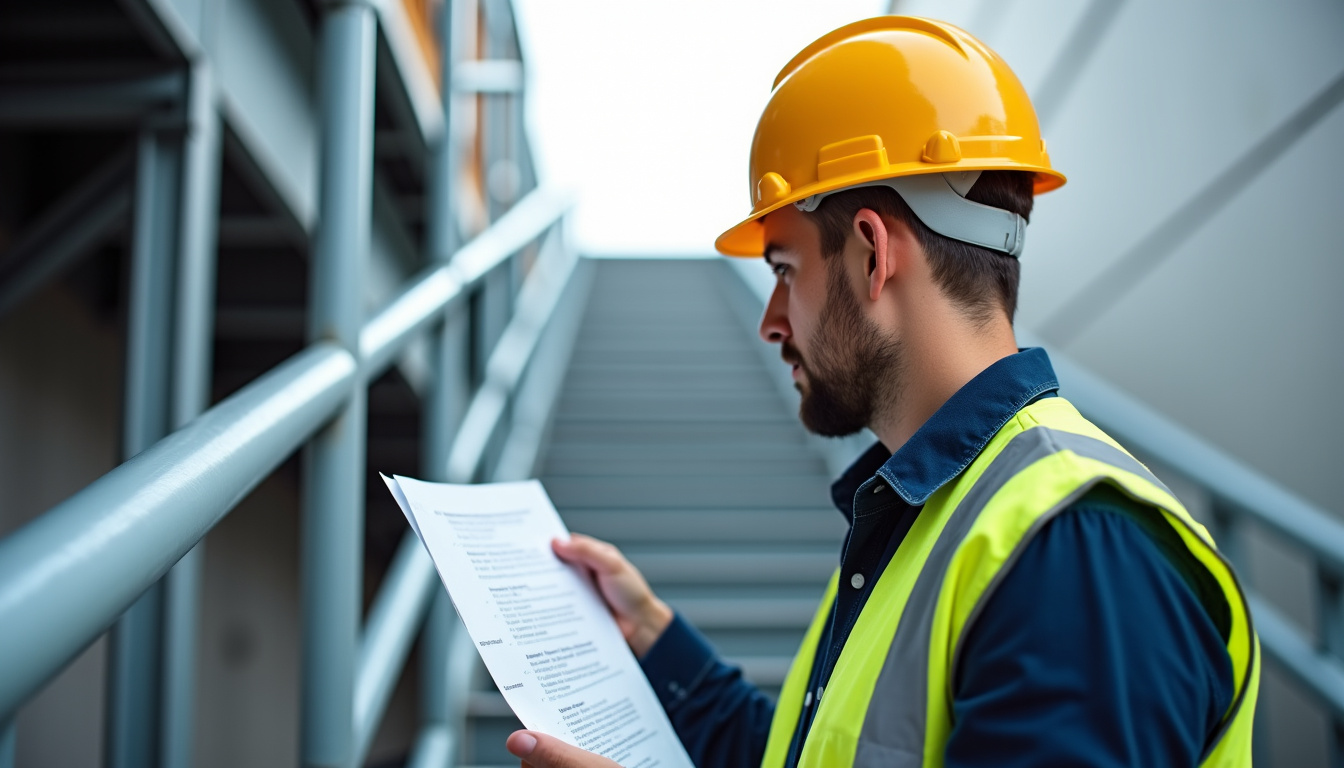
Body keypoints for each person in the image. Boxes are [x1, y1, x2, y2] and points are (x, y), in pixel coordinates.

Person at [506, 16, 1259, 768]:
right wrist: (653, 639)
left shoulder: (1079, 554)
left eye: (784, 271)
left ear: (871, 253)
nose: (770, 323)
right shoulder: (930, 522)